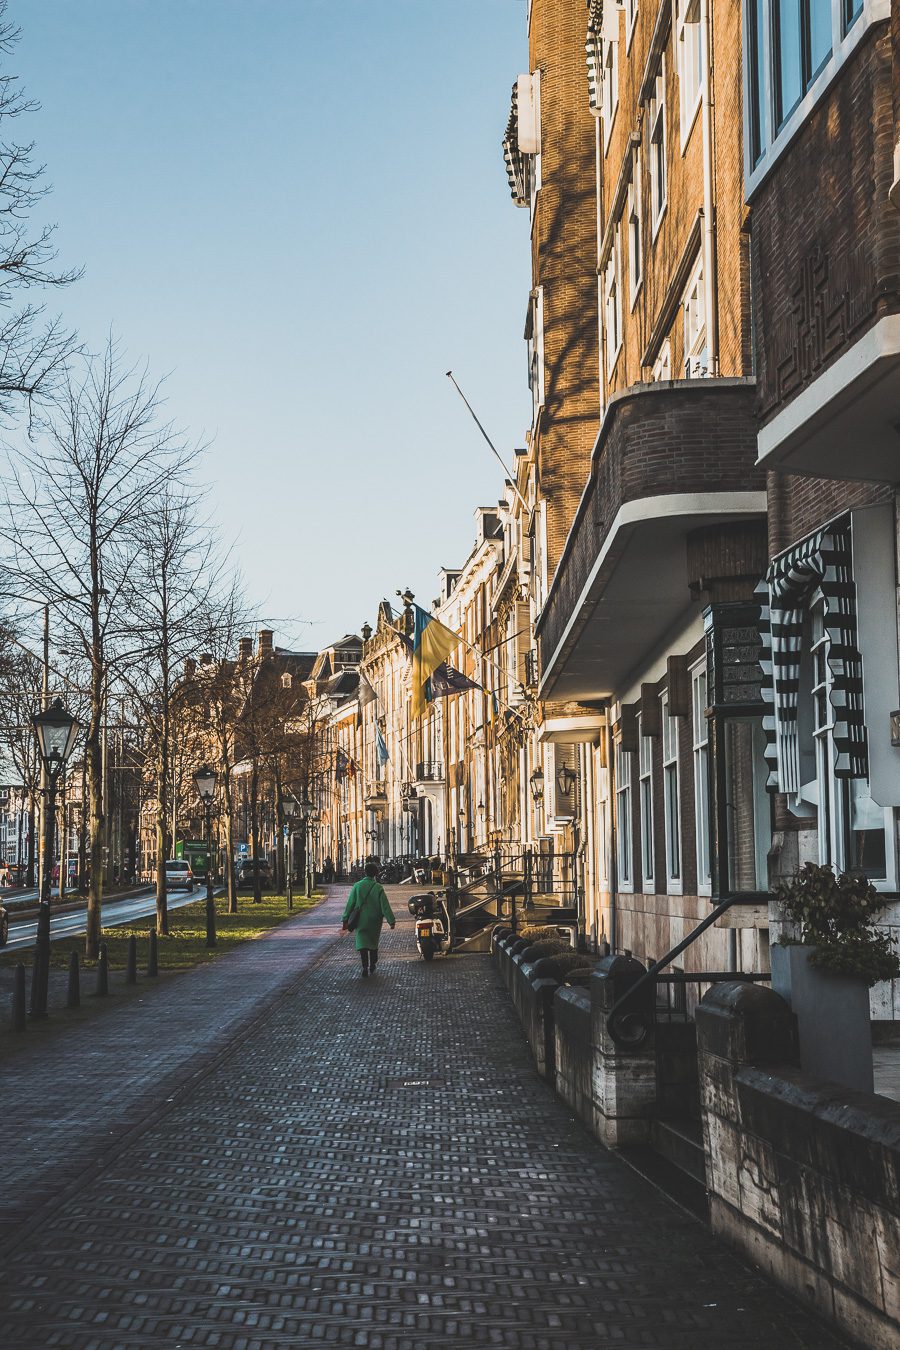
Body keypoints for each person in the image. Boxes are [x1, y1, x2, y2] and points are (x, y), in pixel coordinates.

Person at [341, 862, 395, 977]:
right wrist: (391, 920)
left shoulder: (357, 886)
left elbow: (350, 904)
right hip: (375, 921)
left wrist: (345, 918)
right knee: (373, 943)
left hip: (361, 920)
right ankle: (373, 963)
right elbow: (385, 906)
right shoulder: (378, 887)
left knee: (363, 945)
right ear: (376, 873)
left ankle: (364, 966)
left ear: (365, 872)